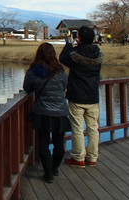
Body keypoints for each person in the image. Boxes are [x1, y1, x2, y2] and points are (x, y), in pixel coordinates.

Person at [23, 43, 71, 183]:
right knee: (59, 142)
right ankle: (55, 167)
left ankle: (48, 172)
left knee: (43, 143)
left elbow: (27, 88)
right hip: (60, 111)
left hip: (42, 112)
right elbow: (65, 86)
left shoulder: (33, 71)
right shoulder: (60, 71)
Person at [60, 26, 104, 168]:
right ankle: (92, 157)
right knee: (93, 127)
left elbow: (63, 58)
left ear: (78, 38)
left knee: (77, 128)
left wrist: (69, 44)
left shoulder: (75, 54)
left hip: (77, 96)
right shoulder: (98, 54)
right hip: (93, 96)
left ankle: (78, 157)